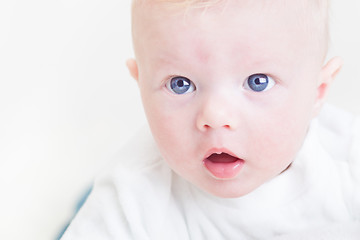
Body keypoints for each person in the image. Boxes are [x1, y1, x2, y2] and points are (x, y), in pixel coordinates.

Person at [61, 0, 360, 239]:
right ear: (141, 86)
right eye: (180, 83)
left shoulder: (346, 160)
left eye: (258, 81)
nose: (215, 117)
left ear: (317, 92)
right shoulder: (132, 198)